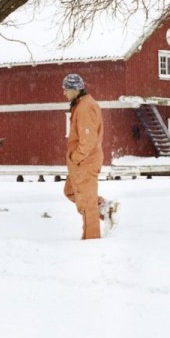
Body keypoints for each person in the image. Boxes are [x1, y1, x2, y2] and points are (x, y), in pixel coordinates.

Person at [62, 73, 119, 239]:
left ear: (75, 90)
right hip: (82, 161)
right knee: (70, 190)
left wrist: (76, 158)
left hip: (85, 161)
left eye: (66, 89)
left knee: (87, 204)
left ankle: (91, 240)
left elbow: (88, 140)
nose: (64, 93)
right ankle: (104, 207)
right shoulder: (81, 105)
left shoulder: (85, 107)